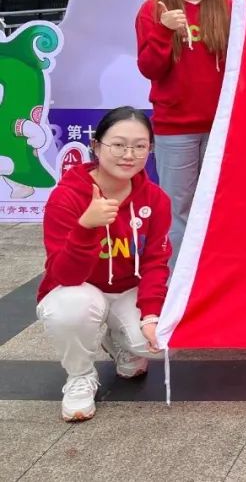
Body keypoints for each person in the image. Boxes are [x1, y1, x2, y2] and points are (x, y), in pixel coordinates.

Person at [36, 106, 171, 422]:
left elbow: (155, 262)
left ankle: (119, 339)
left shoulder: (155, 199)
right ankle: (80, 376)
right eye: (118, 145)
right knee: (71, 307)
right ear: (96, 146)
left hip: (128, 291)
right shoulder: (67, 197)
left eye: (140, 146)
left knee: (164, 342)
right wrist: (86, 226)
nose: (129, 155)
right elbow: (64, 275)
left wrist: (151, 314)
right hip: (79, 289)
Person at [135, 0, 230, 264]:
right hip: (175, 129)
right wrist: (164, 30)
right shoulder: (153, 9)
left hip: (221, 129)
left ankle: (209, 280)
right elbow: (149, 68)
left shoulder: (227, 8)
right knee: (178, 211)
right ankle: (175, 284)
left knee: (219, 208)